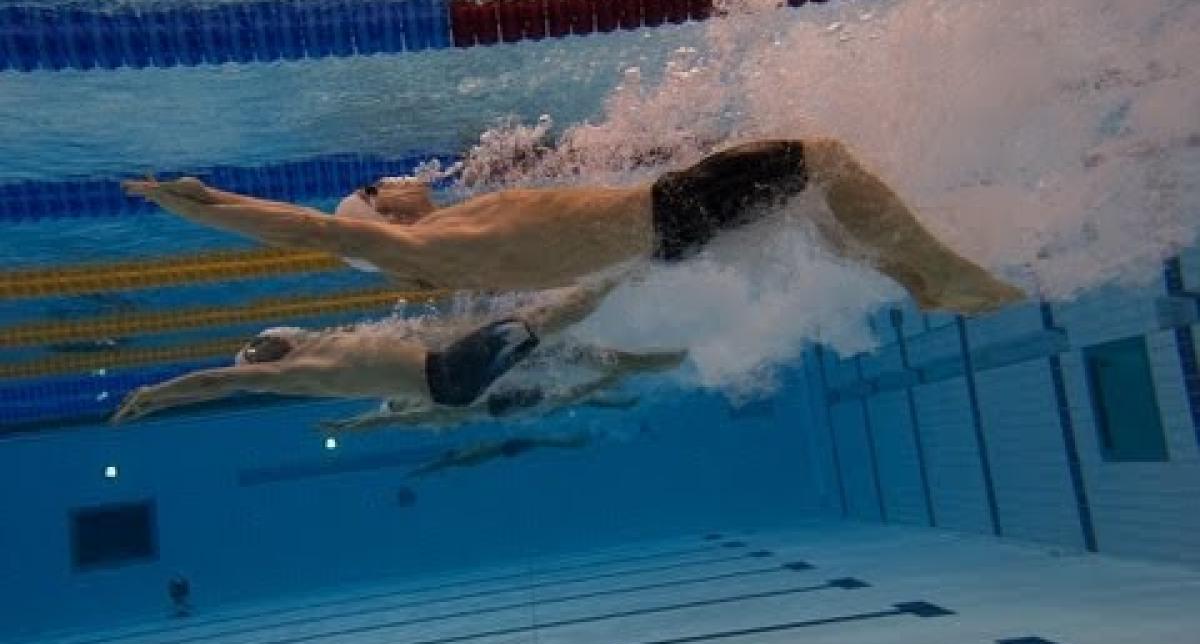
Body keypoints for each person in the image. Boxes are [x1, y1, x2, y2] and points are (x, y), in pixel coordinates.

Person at [123, 139, 1025, 315]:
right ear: (380, 215)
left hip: (663, 225)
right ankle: (944, 272)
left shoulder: (458, 227)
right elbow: (313, 233)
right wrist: (205, 203)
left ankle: (908, 279)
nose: (398, 180)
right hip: (667, 212)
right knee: (819, 159)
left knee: (807, 196)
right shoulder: (420, 244)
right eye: (380, 186)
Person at [110, 279, 677, 424]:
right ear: (267, 357)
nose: (263, 340)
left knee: (552, 333)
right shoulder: (298, 370)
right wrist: (157, 394)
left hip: (447, 375)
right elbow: (218, 382)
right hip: (449, 377)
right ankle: (626, 272)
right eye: (257, 348)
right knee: (546, 319)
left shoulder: (322, 348)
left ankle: (664, 347)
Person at [318, 347, 684, 432]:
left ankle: (637, 365)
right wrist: (349, 427)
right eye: (396, 402)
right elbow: (382, 421)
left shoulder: (418, 398)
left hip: (494, 392)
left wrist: (350, 421)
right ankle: (642, 364)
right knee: (572, 378)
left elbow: (379, 416)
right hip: (499, 401)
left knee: (570, 373)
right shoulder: (424, 412)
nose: (398, 397)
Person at [405, 432, 592, 479]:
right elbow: (439, 464)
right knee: (538, 440)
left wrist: (421, 472)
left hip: (503, 449)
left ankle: (571, 443)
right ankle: (571, 443)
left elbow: (438, 465)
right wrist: (420, 471)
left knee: (538, 441)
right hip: (504, 447)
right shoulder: (462, 459)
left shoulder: (462, 459)